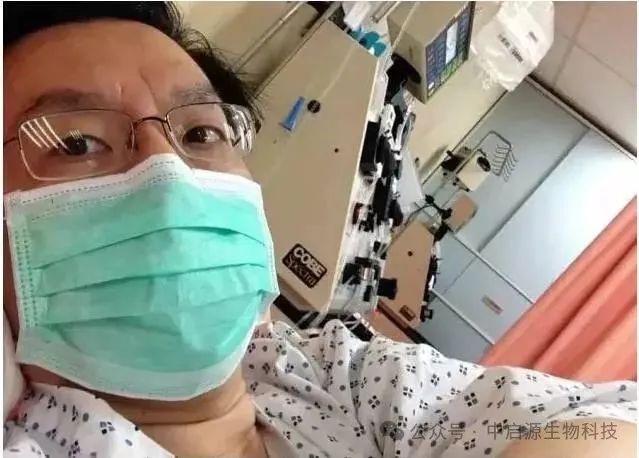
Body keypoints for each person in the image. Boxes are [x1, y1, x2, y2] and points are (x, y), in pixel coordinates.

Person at [3, 3, 636, 458]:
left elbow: (605, 421)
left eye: (200, 132)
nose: (169, 173)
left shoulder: (332, 374)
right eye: (76, 142)